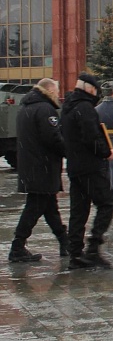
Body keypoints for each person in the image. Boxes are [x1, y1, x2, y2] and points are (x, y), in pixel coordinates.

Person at [61, 72, 113, 269]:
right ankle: (93, 248)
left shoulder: (68, 107)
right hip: (91, 166)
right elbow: (91, 137)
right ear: (88, 88)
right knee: (107, 203)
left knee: (79, 210)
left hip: (75, 166)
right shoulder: (85, 108)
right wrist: (106, 152)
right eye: (94, 89)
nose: (95, 93)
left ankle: (75, 255)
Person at [8, 78, 68, 263]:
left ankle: (65, 242)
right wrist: (70, 151)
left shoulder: (25, 108)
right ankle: (17, 247)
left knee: (49, 207)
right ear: (49, 90)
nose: (58, 96)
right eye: (56, 91)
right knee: (34, 207)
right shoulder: (45, 109)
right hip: (43, 166)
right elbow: (52, 138)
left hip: (32, 166)